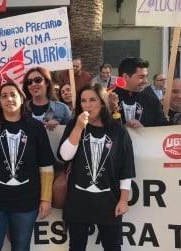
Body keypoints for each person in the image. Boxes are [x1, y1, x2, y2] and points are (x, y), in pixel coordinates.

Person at [0, 82, 55, 251]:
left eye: (13, 95)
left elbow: (46, 166)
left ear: (22, 99)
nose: (9, 99)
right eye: (4, 96)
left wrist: (46, 198)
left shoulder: (36, 127)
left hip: (26, 200)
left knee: (21, 247)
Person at [57, 83, 136, 251]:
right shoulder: (74, 125)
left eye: (92, 100)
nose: (87, 104)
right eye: (83, 101)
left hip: (109, 201)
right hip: (78, 201)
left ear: (102, 102)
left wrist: (123, 200)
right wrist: (78, 128)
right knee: (76, 247)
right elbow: (65, 156)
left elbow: (126, 168)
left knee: (112, 247)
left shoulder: (118, 130)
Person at [111, 57, 167, 127]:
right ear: (125, 76)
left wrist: (142, 129)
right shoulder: (106, 101)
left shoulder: (153, 102)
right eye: (141, 77)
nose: (146, 81)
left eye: (146, 77)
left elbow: (162, 131)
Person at [23, 67, 72, 131]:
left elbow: (72, 135)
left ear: (47, 83)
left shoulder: (63, 108)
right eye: (29, 82)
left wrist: (58, 130)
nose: (33, 84)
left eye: (38, 80)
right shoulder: (21, 109)